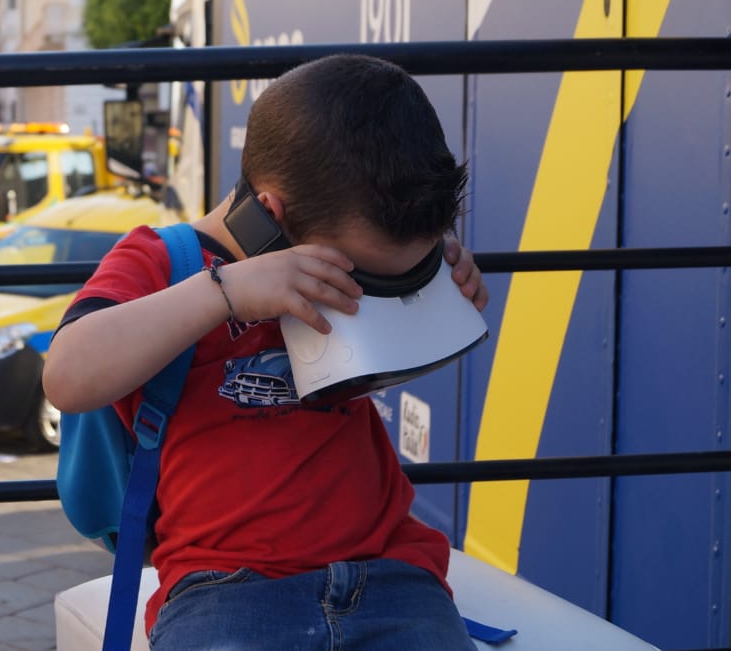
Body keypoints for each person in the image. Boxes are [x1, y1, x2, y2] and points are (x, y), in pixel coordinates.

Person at [44, 54, 489, 650]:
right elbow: (67, 375)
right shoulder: (163, 263)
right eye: (360, 277)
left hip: (391, 571)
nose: (373, 290)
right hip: (226, 587)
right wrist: (223, 292)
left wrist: (429, 284)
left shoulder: (360, 231)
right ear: (269, 218)